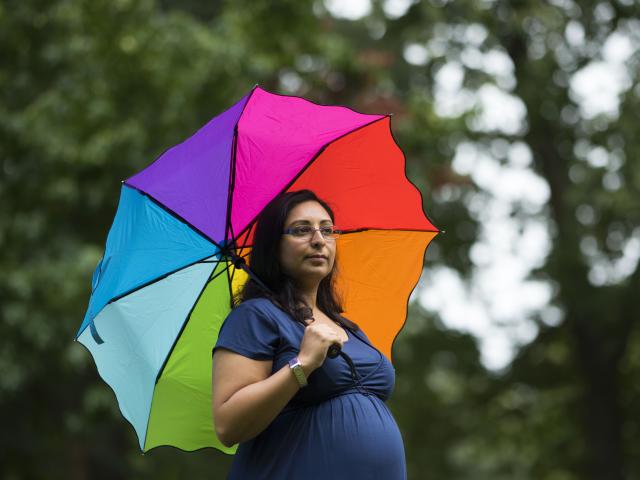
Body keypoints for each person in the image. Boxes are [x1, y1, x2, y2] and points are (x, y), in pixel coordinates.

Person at [212, 189, 407, 479]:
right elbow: (229, 425)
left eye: (327, 230)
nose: (318, 240)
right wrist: (302, 365)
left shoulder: (349, 328)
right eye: (302, 230)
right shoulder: (256, 316)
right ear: (273, 245)